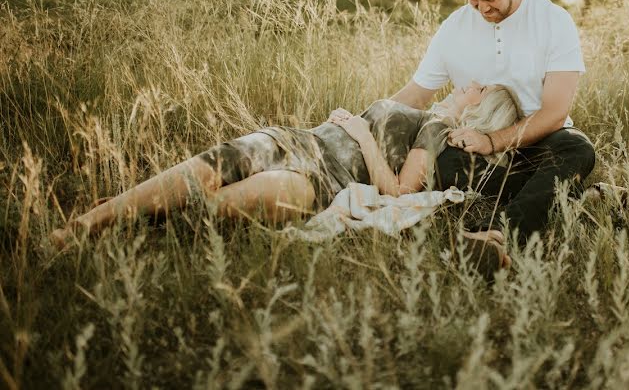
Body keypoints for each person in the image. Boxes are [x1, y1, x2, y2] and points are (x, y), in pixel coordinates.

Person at [50, 82, 524, 250]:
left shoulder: (438, 129)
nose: (468, 84)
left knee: (255, 196)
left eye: (478, 90)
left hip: (325, 180)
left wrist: (362, 135)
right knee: (213, 166)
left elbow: (398, 190)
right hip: (298, 141)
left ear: (481, 111)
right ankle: (84, 225)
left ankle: (137, 221)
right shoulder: (424, 111)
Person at [390, 0, 596, 272]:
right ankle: (574, 196)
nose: (482, 10)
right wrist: (365, 119)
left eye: (490, 0)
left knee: (577, 149)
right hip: (473, 145)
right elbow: (416, 94)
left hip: (538, 139)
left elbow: (555, 113)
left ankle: (500, 233)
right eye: (472, 0)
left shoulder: (553, 20)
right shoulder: (454, 27)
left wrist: (493, 142)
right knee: (441, 164)